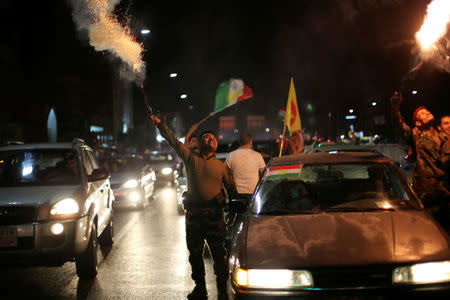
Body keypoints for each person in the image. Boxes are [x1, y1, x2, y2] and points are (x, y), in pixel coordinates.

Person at [150, 114, 237, 300]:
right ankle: (200, 288)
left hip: (215, 218)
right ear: (199, 142)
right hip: (194, 218)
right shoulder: (190, 159)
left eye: (213, 138)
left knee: (219, 257)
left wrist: (233, 208)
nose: (210, 139)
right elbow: (173, 140)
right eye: (206, 137)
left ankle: (222, 290)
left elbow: (233, 190)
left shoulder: (222, 167)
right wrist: (160, 124)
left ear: (216, 144)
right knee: (195, 256)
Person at [390, 92, 449, 230]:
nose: (427, 113)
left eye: (427, 111)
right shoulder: (416, 135)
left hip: (446, 195)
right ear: (418, 123)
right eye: (422, 113)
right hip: (428, 195)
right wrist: (395, 107)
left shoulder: (445, 137)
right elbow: (399, 125)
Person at [225, 133, 266, 199]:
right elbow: (264, 174)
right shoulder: (257, 155)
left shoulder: (231, 155)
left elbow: (226, 173)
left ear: (239, 142)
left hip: (237, 193)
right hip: (253, 191)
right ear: (250, 142)